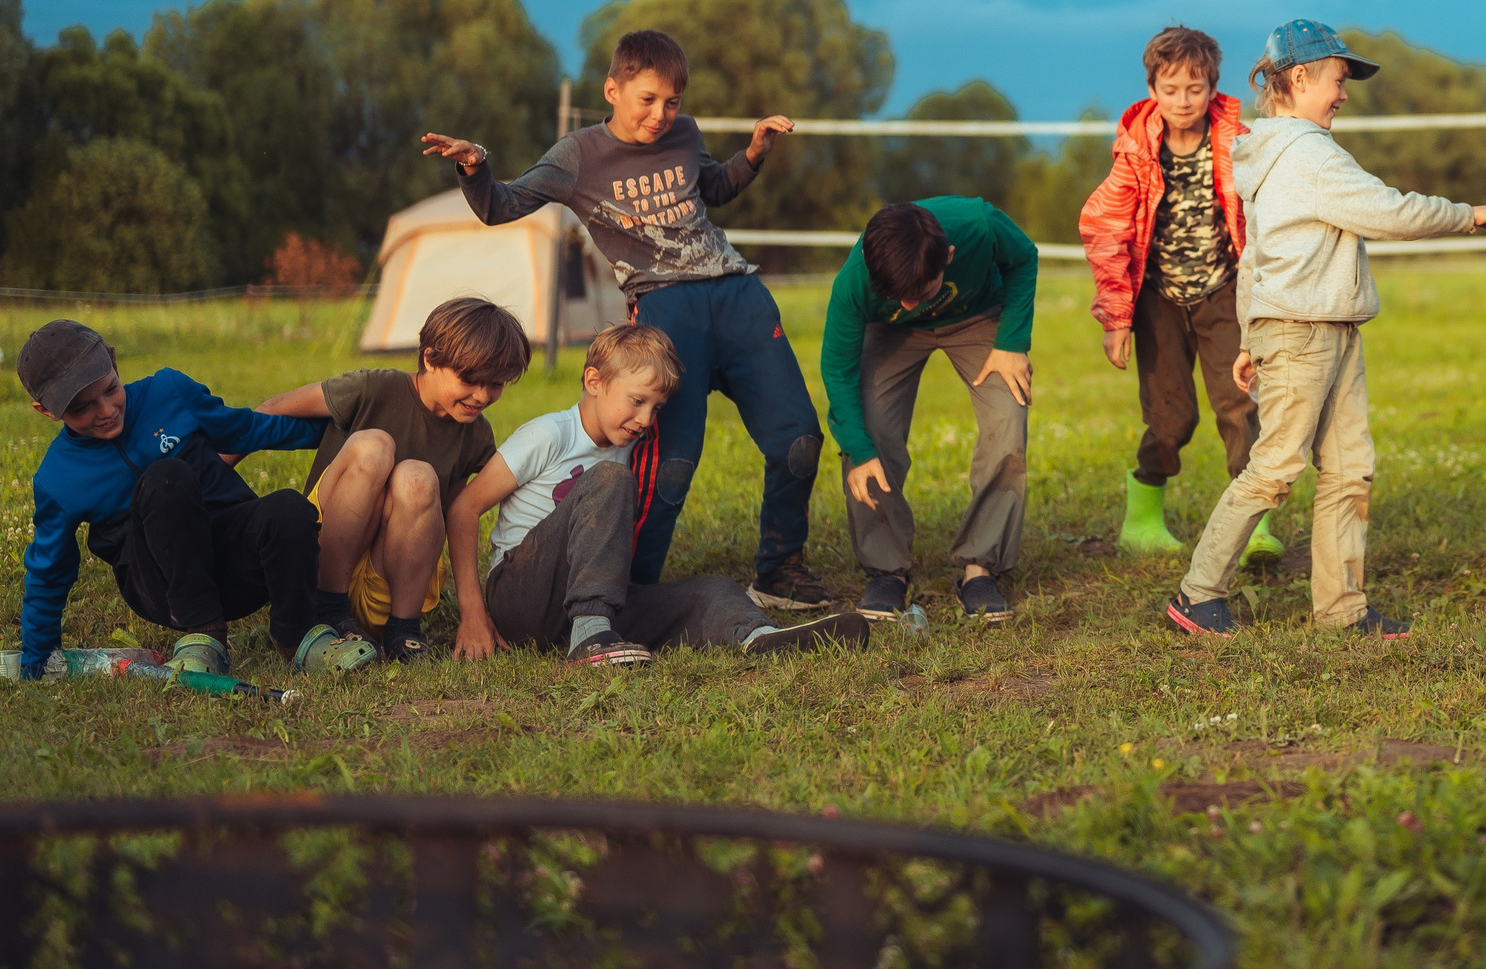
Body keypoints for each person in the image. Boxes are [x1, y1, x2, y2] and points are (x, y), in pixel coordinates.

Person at [422, 28, 831, 614]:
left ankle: (781, 570)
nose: (662, 115)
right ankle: (626, 589)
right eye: (647, 100)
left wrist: (755, 152)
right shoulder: (578, 156)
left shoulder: (685, 134)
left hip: (738, 296)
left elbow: (711, 188)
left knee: (799, 441)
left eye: (673, 102)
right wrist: (474, 166)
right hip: (666, 310)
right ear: (613, 90)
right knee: (671, 465)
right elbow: (500, 206)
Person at [1164, 19, 1486, 639]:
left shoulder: (1279, 153)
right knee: (1275, 467)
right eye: (1338, 80)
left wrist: (1245, 336)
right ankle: (1198, 593)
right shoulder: (1308, 154)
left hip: (1332, 328)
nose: (1343, 94)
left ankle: (1341, 610)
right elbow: (1388, 211)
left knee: (1350, 468)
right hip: (1302, 332)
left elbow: (1256, 256)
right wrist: (1467, 216)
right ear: (1299, 78)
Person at [444, 324, 865, 666]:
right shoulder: (549, 434)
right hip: (520, 598)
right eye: (637, 400)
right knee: (609, 478)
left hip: (584, 604)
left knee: (709, 590)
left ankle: (759, 637)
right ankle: (591, 636)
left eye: (656, 408)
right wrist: (473, 612)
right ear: (594, 381)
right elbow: (465, 508)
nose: (645, 419)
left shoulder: (629, 443)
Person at [15, 319, 374, 681]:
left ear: (114, 362)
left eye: (111, 388)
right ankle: (204, 637)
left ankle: (298, 638)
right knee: (166, 477)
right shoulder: (58, 478)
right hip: (164, 588)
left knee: (289, 508)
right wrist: (36, 661)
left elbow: (248, 428)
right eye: (82, 408)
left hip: (237, 567)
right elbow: (49, 571)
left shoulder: (169, 393)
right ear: (46, 410)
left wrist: (337, 433)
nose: (106, 410)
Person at [1079, 23, 1273, 560]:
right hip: (1157, 300)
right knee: (1171, 419)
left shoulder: (1239, 144)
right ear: (1152, 91)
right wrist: (1116, 317)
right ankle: (1141, 519)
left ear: (1212, 89)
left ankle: (1253, 526)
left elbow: (1267, 212)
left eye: (1194, 89)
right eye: (1170, 90)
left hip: (1222, 293)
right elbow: (1106, 229)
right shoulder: (1136, 153)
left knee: (1239, 405)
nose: (1183, 101)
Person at [269, 296, 531, 663]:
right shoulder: (374, 388)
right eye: (471, 379)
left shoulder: (475, 434)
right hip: (319, 564)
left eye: (496, 384)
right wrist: (215, 475)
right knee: (374, 447)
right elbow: (271, 411)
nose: (483, 396)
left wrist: (474, 612)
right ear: (430, 358)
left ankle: (403, 631)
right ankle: (326, 610)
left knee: (419, 477)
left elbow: (460, 516)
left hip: (387, 581)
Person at [822, 197, 1039, 625]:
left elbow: (1024, 258)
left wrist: (1012, 341)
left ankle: (980, 569)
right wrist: (859, 450)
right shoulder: (855, 282)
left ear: (950, 258)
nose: (908, 303)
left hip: (976, 318)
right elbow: (838, 370)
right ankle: (887, 571)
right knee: (869, 430)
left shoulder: (979, 226)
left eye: (918, 293)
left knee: (1007, 420)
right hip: (891, 335)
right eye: (895, 295)